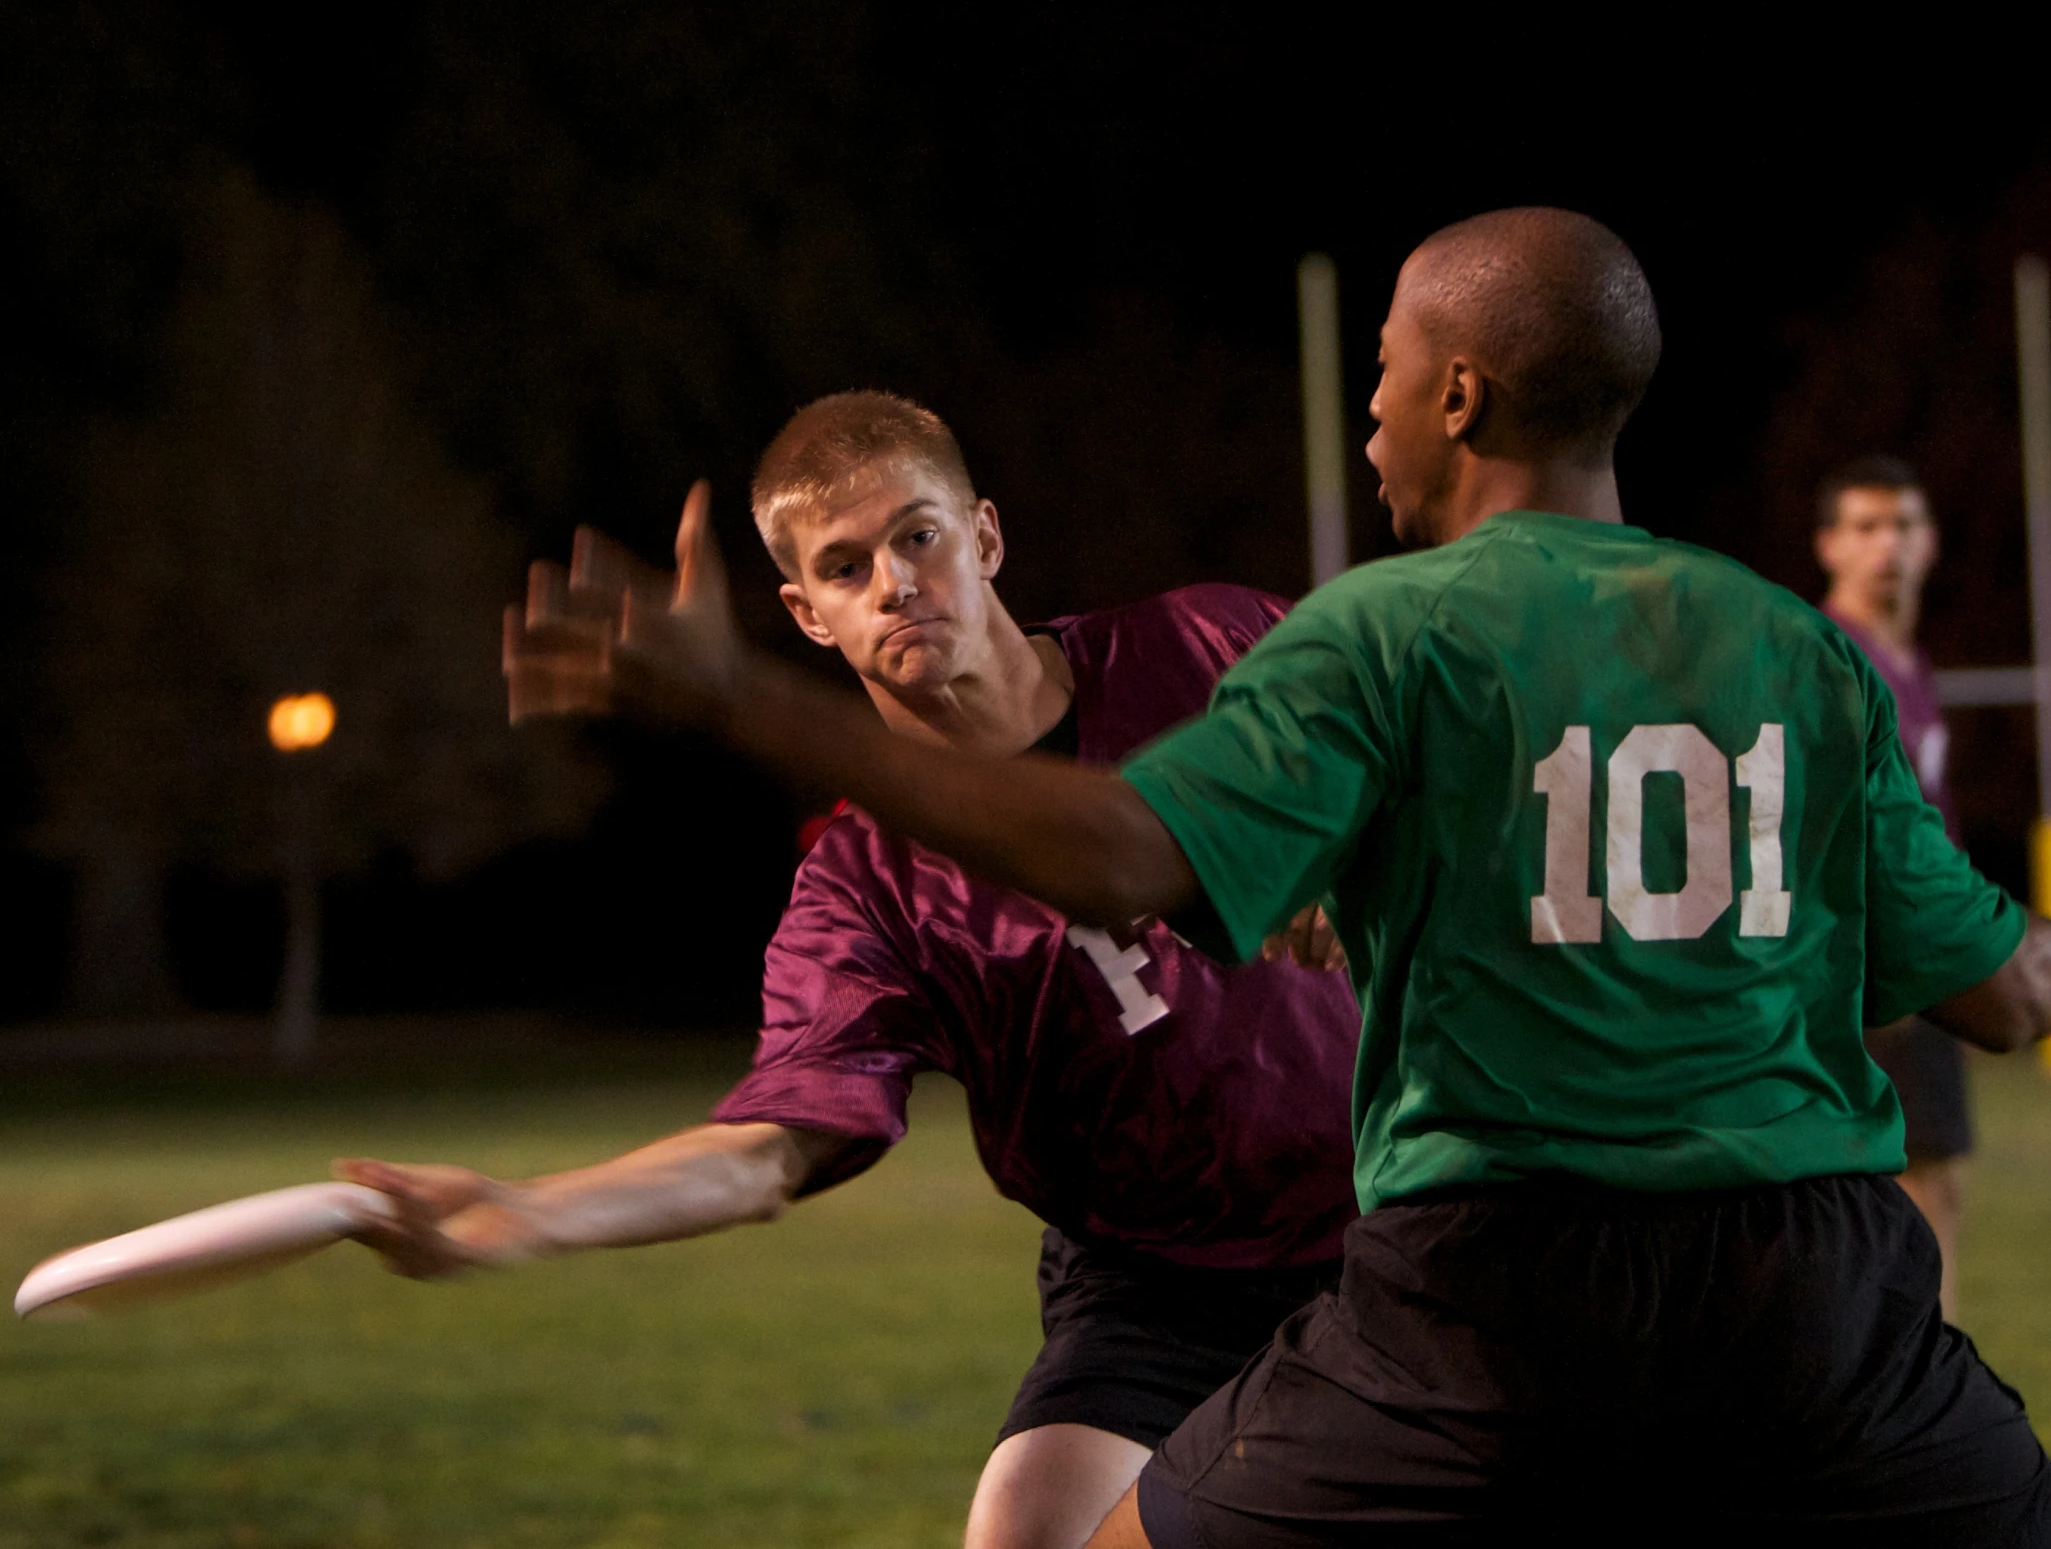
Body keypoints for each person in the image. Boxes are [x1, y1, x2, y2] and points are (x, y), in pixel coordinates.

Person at [511, 211, 2051, 1548]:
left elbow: (1126, 848)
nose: (1364, 416)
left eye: (1378, 374)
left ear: (1456, 393)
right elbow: (2005, 987)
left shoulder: (1380, 631)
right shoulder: (1793, 649)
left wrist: (743, 699)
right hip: (1806, 1286)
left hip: (1489, 1287)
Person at [343, 392, 1363, 1549]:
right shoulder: (864, 885)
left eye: (916, 536)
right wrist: (524, 1213)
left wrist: (1356, 849)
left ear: (982, 538)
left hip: (1389, 1215)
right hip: (1153, 1284)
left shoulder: (1211, 643)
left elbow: (1435, 770)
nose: (893, 581)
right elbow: (770, 1148)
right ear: (808, 614)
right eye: (844, 565)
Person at [1814, 455, 1974, 1316]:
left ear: (1930, 542)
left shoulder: (1907, 660)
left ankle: (1938, 1377)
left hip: (1924, 958)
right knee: (1891, 1201)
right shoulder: (1831, 658)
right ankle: (1923, 1392)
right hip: (1876, 969)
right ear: (1828, 545)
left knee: (1938, 1185)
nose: (1888, 545)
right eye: (1866, 526)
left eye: (1903, 524)